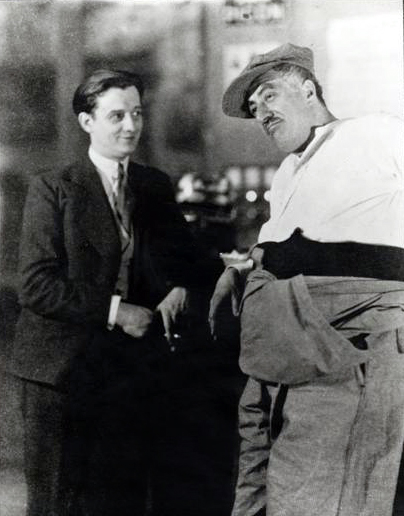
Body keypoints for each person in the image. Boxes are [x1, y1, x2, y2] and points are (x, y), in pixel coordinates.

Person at [9, 69, 221, 516]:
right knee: (57, 502)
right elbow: (36, 284)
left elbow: (189, 260)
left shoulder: (152, 185)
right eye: (117, 116)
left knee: (118, 500)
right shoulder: (54, 188)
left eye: (137, 114)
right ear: (87, 122)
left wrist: (179, 287)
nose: (131, 126)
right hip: (59, 372)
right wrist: (118, 312)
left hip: (124, 372)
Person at [209, 43, 404, 516]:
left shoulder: (375, 133)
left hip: (345, 352)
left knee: (319, 498)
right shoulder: (287, 173)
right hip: (279, 357)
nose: (261, 112)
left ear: (309, 89)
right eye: (254, 107)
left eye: (269, 95)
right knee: (261, 494)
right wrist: (242, 271)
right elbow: (279, 245)